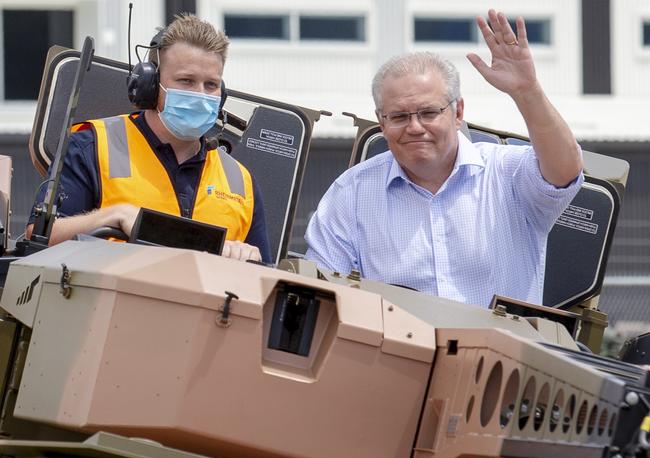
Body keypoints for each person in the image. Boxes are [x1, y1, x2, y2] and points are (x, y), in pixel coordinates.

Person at [305, 9, 584, 307]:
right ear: (381, 123)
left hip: (502, 349)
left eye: (428, 113)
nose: (414, 127)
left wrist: (528, 92)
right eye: (399, 116)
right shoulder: (351, 194)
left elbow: (565, 170)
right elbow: (320, 292)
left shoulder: (506, 173)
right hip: (396, 350)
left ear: (458, 113)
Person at [26, 14, 270, 263]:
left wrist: (250, 258)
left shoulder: (241, 182)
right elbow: (41, 237)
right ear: (150, 85)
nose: (200, 94)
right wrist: (113, 215)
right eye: (186, 81)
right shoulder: (92, 145)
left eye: (211, 85)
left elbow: (266, 283)